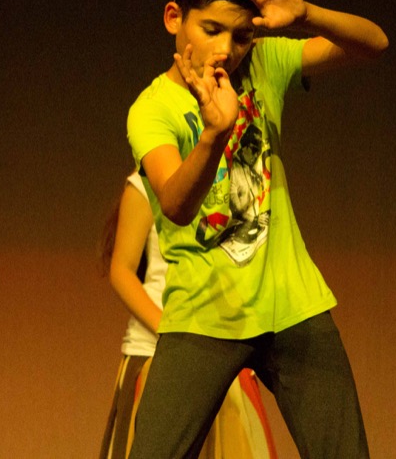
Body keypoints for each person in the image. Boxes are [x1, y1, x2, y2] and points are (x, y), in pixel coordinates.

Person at [125, 0, 388, 458]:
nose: (226, 50)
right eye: (211, 29)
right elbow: (175, 205)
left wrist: (307, 14)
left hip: (291, 302)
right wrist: (213, 134)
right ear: (174, 18)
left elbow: (374, 44)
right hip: (204, 311)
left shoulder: (265, 62)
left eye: (242, 35)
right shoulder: (151, 109)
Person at [99, 172, 277, 459]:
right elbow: (121, 270)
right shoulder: (146, 182)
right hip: (158, 354)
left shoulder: (235, 177)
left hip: (223, 352)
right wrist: (172, 332)